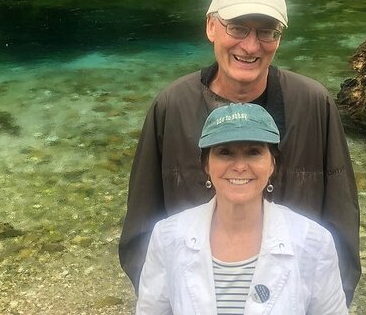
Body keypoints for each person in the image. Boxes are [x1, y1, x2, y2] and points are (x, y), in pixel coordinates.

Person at [120, 0, 360, 305]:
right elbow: (142, 224)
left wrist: (333, 298)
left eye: (266, 32)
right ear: (211, 27)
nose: (250, 45)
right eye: (237, 28)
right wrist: (167, 298)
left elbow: (341, 218)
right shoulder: (171, 106)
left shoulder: (313, 104)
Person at [136, 103, 349, 314]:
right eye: (225, 152)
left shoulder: (315, 243)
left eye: (253, 152)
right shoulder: (167, 237)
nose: (239, 166)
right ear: (206, 165)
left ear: (273, 164)